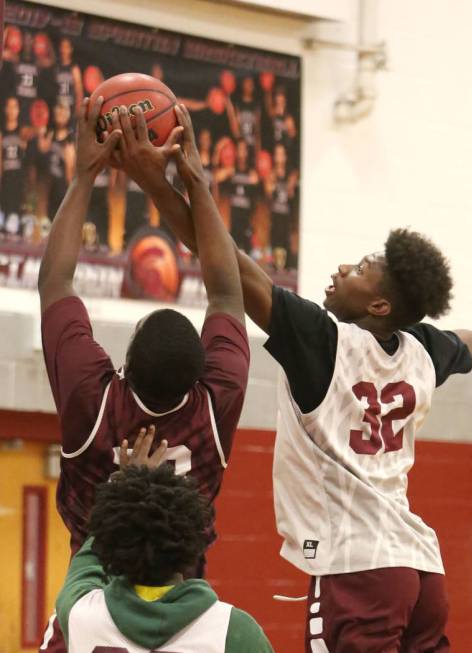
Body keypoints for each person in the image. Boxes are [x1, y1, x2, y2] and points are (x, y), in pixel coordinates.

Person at [125, 124, 472, 650]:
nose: (344, 268)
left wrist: (175, 184)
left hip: (357, 569)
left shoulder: (322, 340)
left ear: (380, 306)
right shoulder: (424, 351)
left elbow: (224, 262)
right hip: (421, 571)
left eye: (362, 269)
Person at [38, 99, 249, 653]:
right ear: (201, 376)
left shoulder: (94, 398)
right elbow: (228, 291)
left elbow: (56, 285)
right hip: (191, 620)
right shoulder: (213, 406)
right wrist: (196, 182)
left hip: (91, 605)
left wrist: (85, 171)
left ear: (123, 366)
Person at [56, 427, 274, 653]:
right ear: (191, 542)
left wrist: (123, 489)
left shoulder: (79, 613)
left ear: (112, 541)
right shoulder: (235, 631)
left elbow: (89, 559)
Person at [216, 137, 259, 253]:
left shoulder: (252, 173)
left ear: (247, 152)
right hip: (234, 222)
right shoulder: (231, 170)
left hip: (247, 222)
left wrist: (255, 180)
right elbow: (216, 177)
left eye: (243, 149)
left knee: (248, 255)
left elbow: (260, 187)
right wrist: (226, 170)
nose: (241, 153)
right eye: (239, 149)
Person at [0, 96, 26, 236]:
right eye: (9, 106)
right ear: (5, 109)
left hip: (18, 181)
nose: (11, 110)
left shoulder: (23, 131)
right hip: (5, 181)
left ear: (18, 110)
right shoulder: (2, 133)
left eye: (14, 106)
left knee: (13, 225)